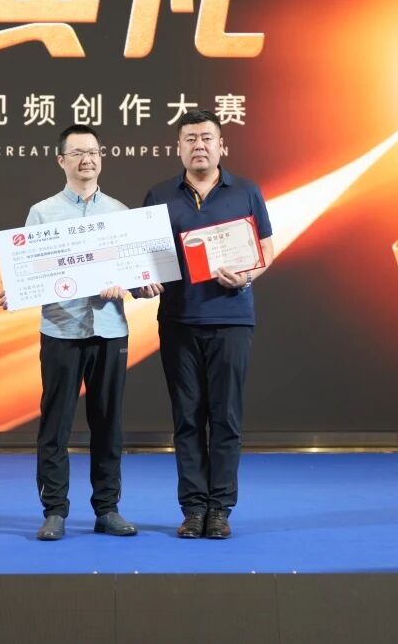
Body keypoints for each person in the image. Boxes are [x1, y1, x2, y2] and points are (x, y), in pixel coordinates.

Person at [0, 124, 139, 541]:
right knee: (55, 425)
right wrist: (18, 289)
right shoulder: (42, 213)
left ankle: (107, 509)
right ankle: (55, 511)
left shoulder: (120, 213)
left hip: (109, 329)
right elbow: (28, 271)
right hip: (61, 329)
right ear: (61, 160)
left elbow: (137, 273)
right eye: (77, 153)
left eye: (93, 152)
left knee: (108, 423)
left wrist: (128, 284)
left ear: (101, 158)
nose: (87, 159)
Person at [140, 109, 274, 539]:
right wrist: (143, 281)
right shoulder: (159, 195)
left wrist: (247, 275)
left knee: (226, 418)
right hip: (178, 321)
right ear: (178, 148)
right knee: (187, 419)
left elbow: (266, 249)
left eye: (206, 138)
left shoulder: (246, 191)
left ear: (221, 146)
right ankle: (193, 509)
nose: (199, 145)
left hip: (232, 320)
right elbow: (143, 257)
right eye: (190, 139)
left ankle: (221, 509)